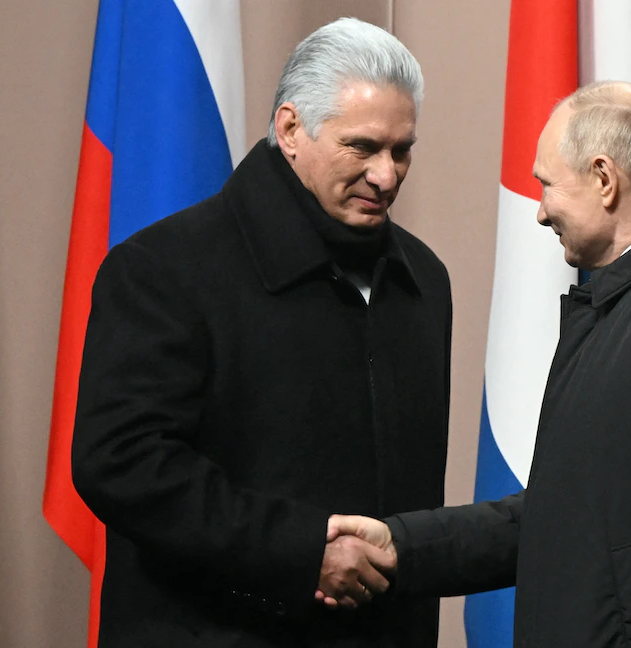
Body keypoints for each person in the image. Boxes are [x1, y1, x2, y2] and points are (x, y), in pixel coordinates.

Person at [326, 81, 631, 647]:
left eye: (547, 185)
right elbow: (562, 515)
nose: (539, 212)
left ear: (605, 179)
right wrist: (402, 546)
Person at [71, 17, 452, 648]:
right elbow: (122, 464)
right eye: (362, 147)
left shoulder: (424, 281)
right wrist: (301, 553)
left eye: (401, 149)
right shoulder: (163, 268)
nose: (387, 176)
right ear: (291, 129)